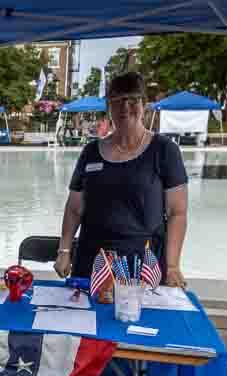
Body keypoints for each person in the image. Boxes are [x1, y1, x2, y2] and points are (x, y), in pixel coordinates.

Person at [54, 72, 189, 288]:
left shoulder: (164, 150)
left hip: (142, 261)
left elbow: (177, 213)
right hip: (93, 261)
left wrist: (172, 266)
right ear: (109, 108)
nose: (125, 107)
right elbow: (74, 208)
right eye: (117, 101)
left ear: (144, 105)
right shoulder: (91, 152)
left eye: (133, 100)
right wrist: (64, 250)